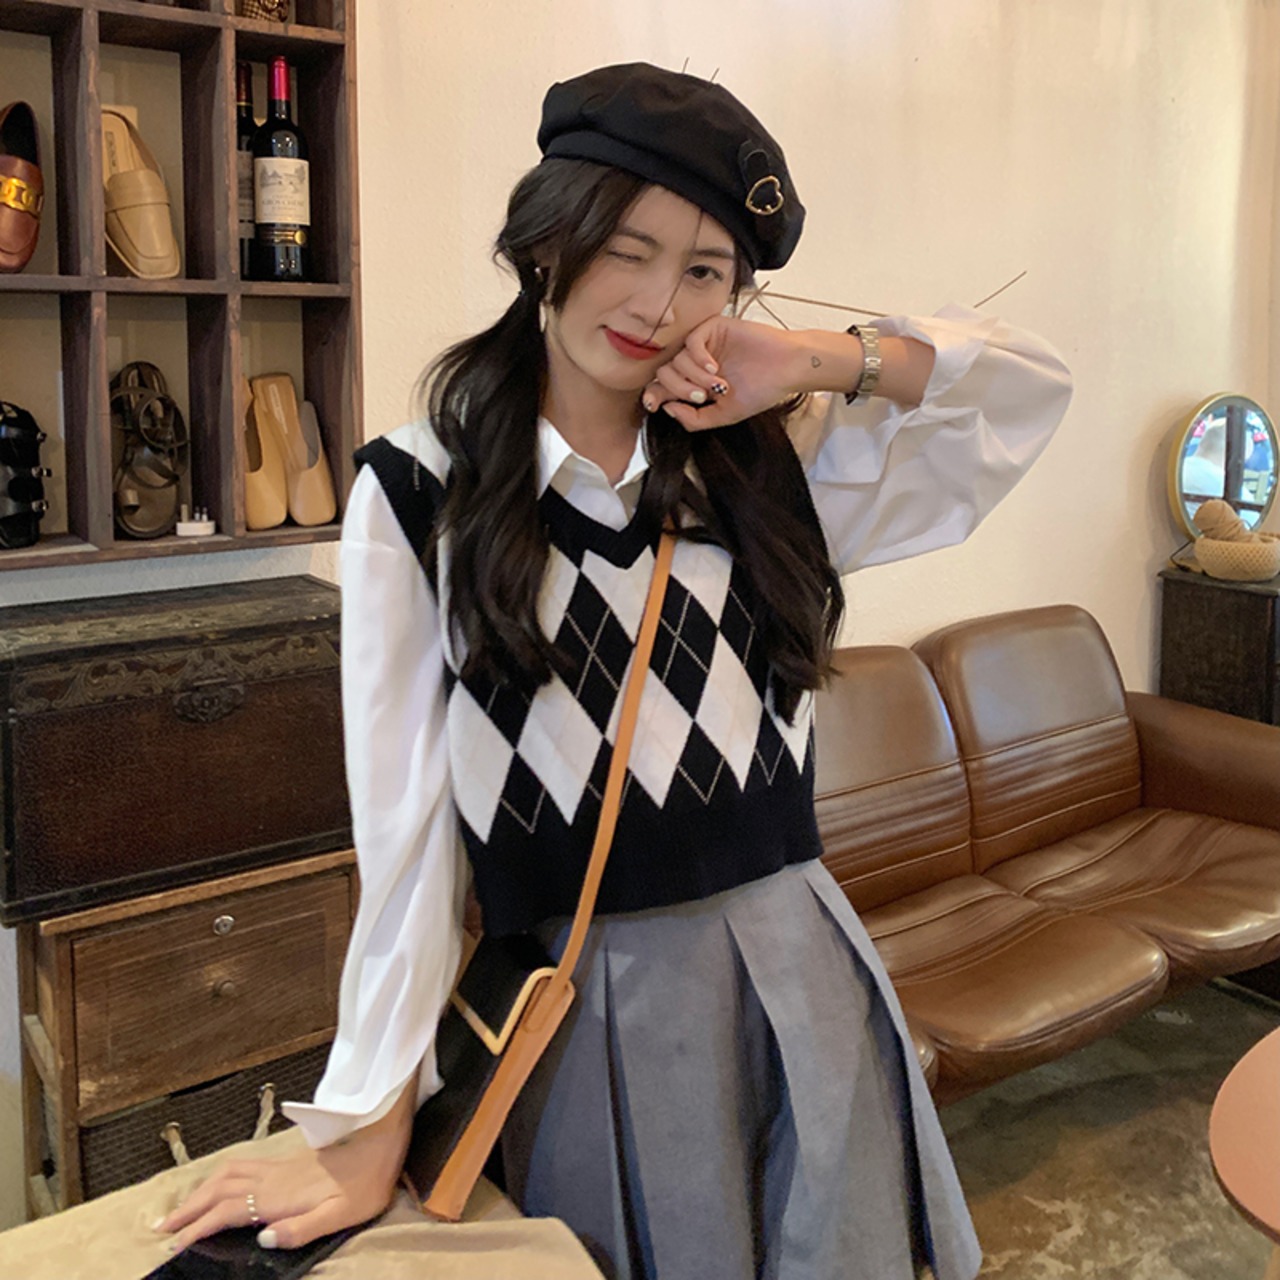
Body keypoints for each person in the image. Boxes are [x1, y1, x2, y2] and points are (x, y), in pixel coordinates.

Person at [156, 62, 1072, 1279]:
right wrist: (367, 1121)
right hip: (584, 1004)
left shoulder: (769, 462)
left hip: (803, 972)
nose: (655, 303)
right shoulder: (418, 492)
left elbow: (1024, 392)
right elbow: (407, 836)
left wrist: (810, 360)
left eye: (703, 271)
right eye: (624, 249)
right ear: (547, 240)